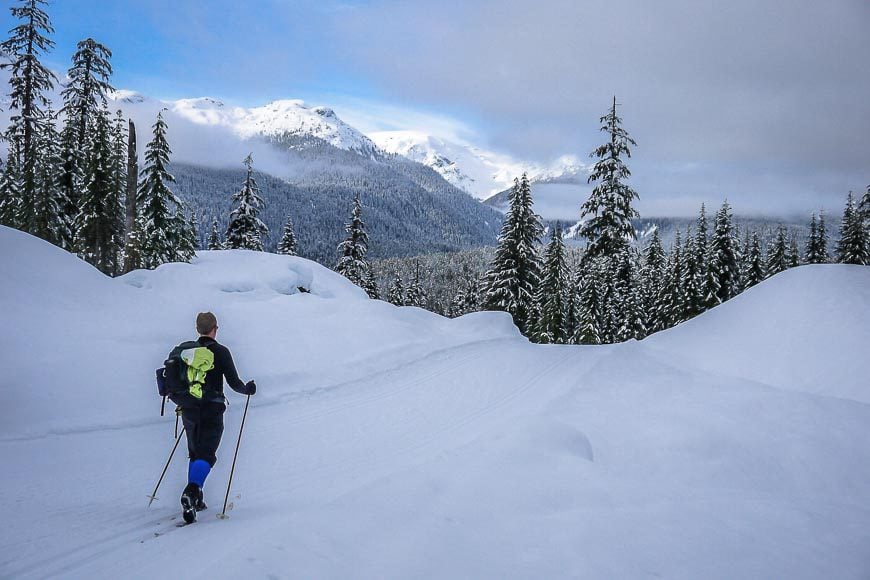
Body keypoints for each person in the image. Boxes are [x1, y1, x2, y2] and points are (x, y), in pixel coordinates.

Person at [170, 311, 256, 522]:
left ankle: (197, 498)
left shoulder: (188, 352)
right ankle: (191, 491)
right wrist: (249, 389)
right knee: (206, 454)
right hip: (212, 408)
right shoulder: (221, 352)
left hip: (189, 408)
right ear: (215, 329)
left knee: (195, 451)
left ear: (198, 329)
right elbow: (234, 383)